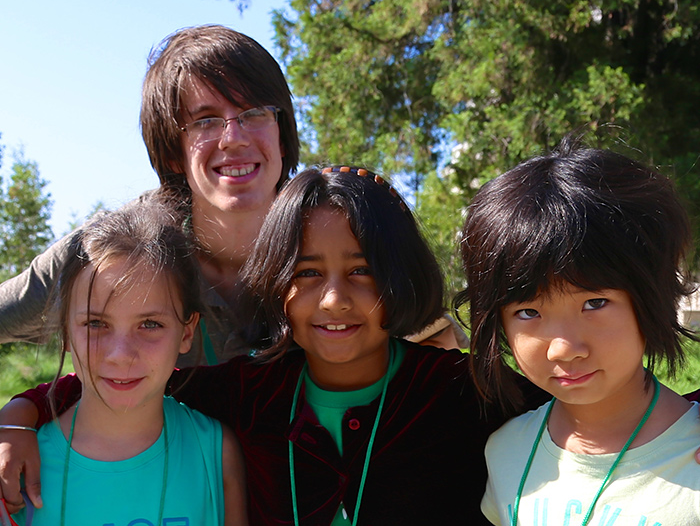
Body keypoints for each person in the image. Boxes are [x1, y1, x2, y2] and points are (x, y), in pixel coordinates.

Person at [3, 167, 546, 525]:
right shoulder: (247, 390)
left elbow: (581, 414)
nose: (333, 299)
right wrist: (20, 414)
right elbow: (129, 378)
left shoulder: (466, 390)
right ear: (275, 282)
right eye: (307, 273)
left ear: (399, 276)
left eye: (362, 271)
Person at [0, 24, 300, 367]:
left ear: (281, 131)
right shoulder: (113, 249)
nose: (234, 138)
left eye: (254, 113)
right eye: (206, 121)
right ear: (173, 151)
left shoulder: (334, 231)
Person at [458, 138, 700, 524]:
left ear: (650, 295)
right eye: (528, 311)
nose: (563, 349)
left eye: (594, 304)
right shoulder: (505, 451)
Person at [6, 199, 247, 525]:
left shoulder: (217, 453)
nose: (120, 354)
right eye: (95, 323)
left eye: (150, 324)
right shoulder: (15, 468)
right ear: (65, 329)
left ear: (186, 332)